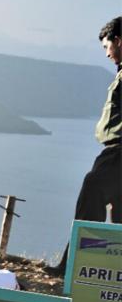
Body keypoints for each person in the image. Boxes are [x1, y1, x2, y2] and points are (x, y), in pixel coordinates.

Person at [46, 17, 121, 276]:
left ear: (118, 41)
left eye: (106, 46)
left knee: (93, 191)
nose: (107, 52)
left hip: (118, 153)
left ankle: (73, 267)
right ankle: (106, 274)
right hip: (113, 151)